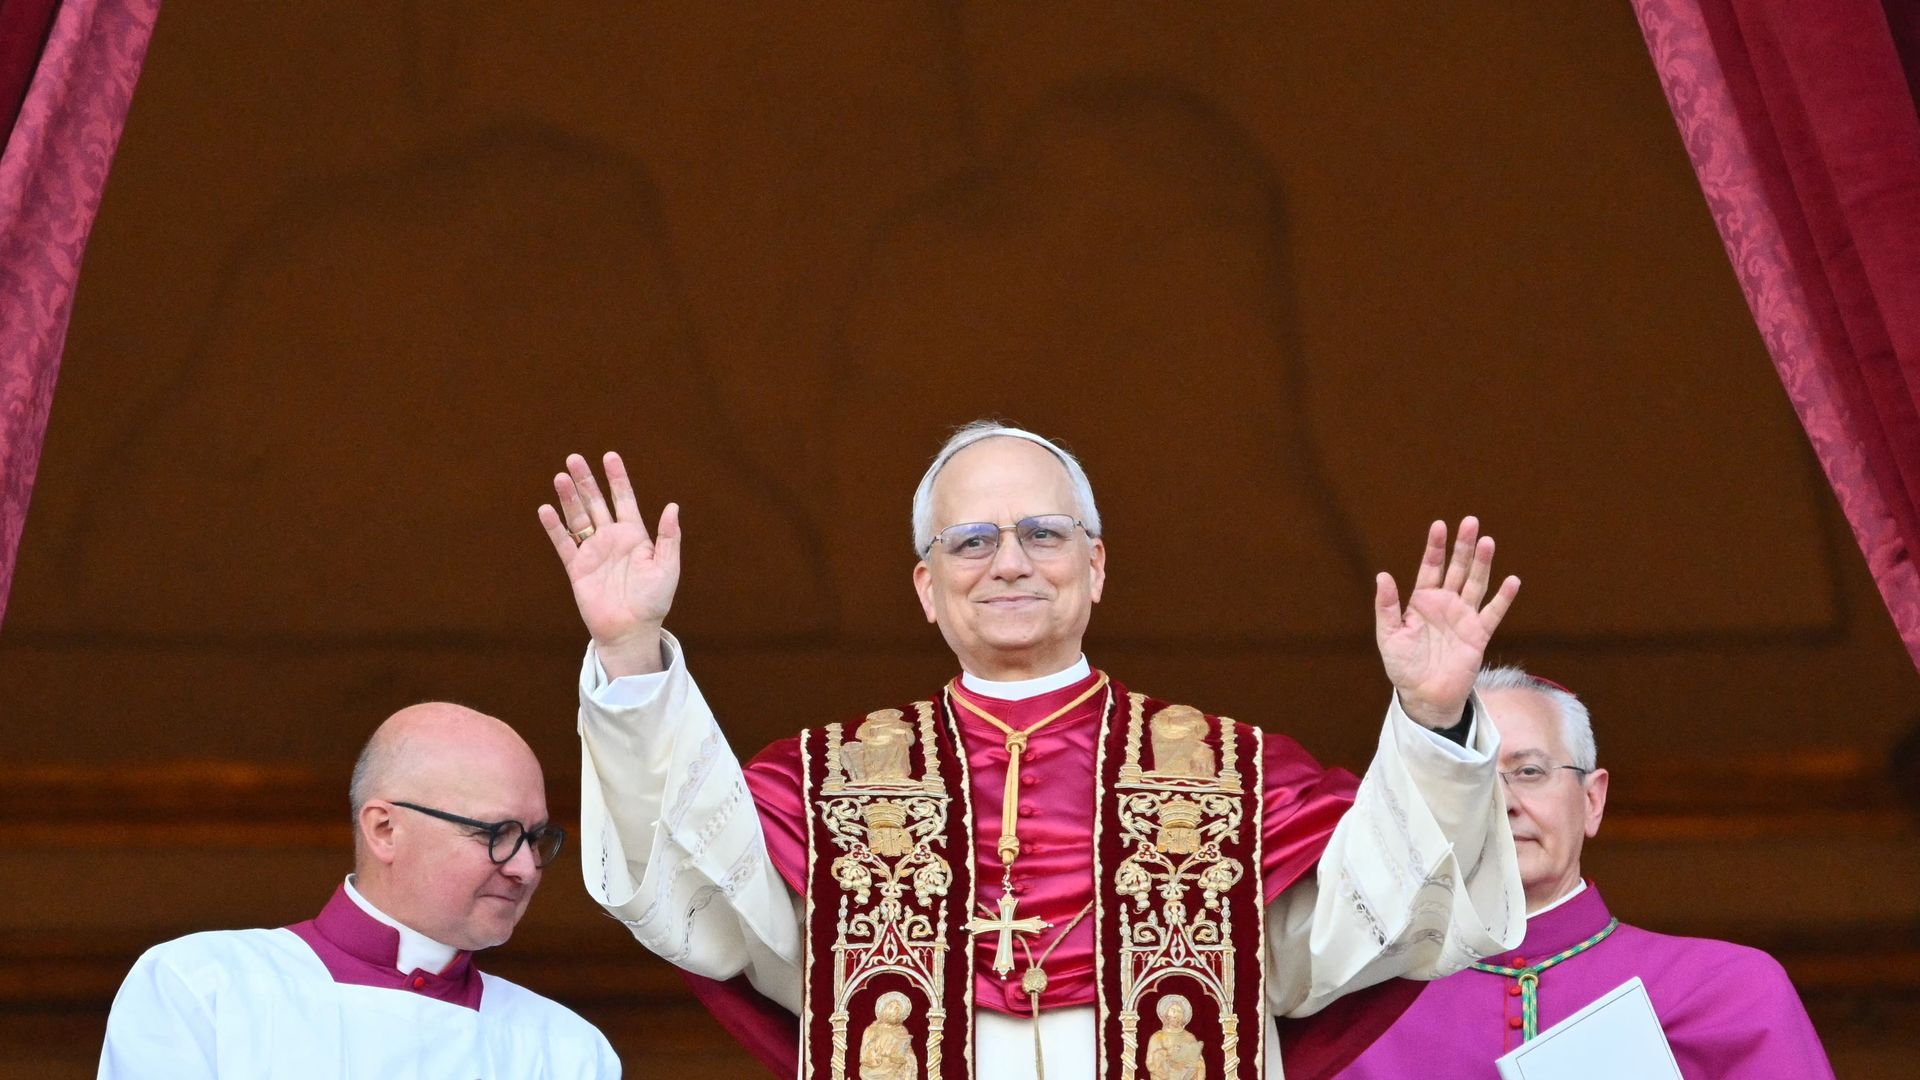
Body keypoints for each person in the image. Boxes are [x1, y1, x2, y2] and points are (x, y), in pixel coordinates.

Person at [537, 422, 1528, 1080]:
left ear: (1095, 567)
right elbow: (695, 897)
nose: (1008, 561)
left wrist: (1435, 722)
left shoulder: (1235, 776)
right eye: (970, 542)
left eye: (1043, 534)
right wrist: (630, 652)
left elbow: (1371, 927)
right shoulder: (826, 784)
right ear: (926, 587)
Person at [1334, 667, 1835, 1079]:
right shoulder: (1355, 1012)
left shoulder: (1728, 989)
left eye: (1529, 771)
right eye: (1474, 778)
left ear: (1592, 800)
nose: (1504, 802)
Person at [98, 703, 619, 1078]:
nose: (526, 868)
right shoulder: (201, 987)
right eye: (497, 835)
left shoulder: (568, 1050)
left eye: (535, 838)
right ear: (384, 830)